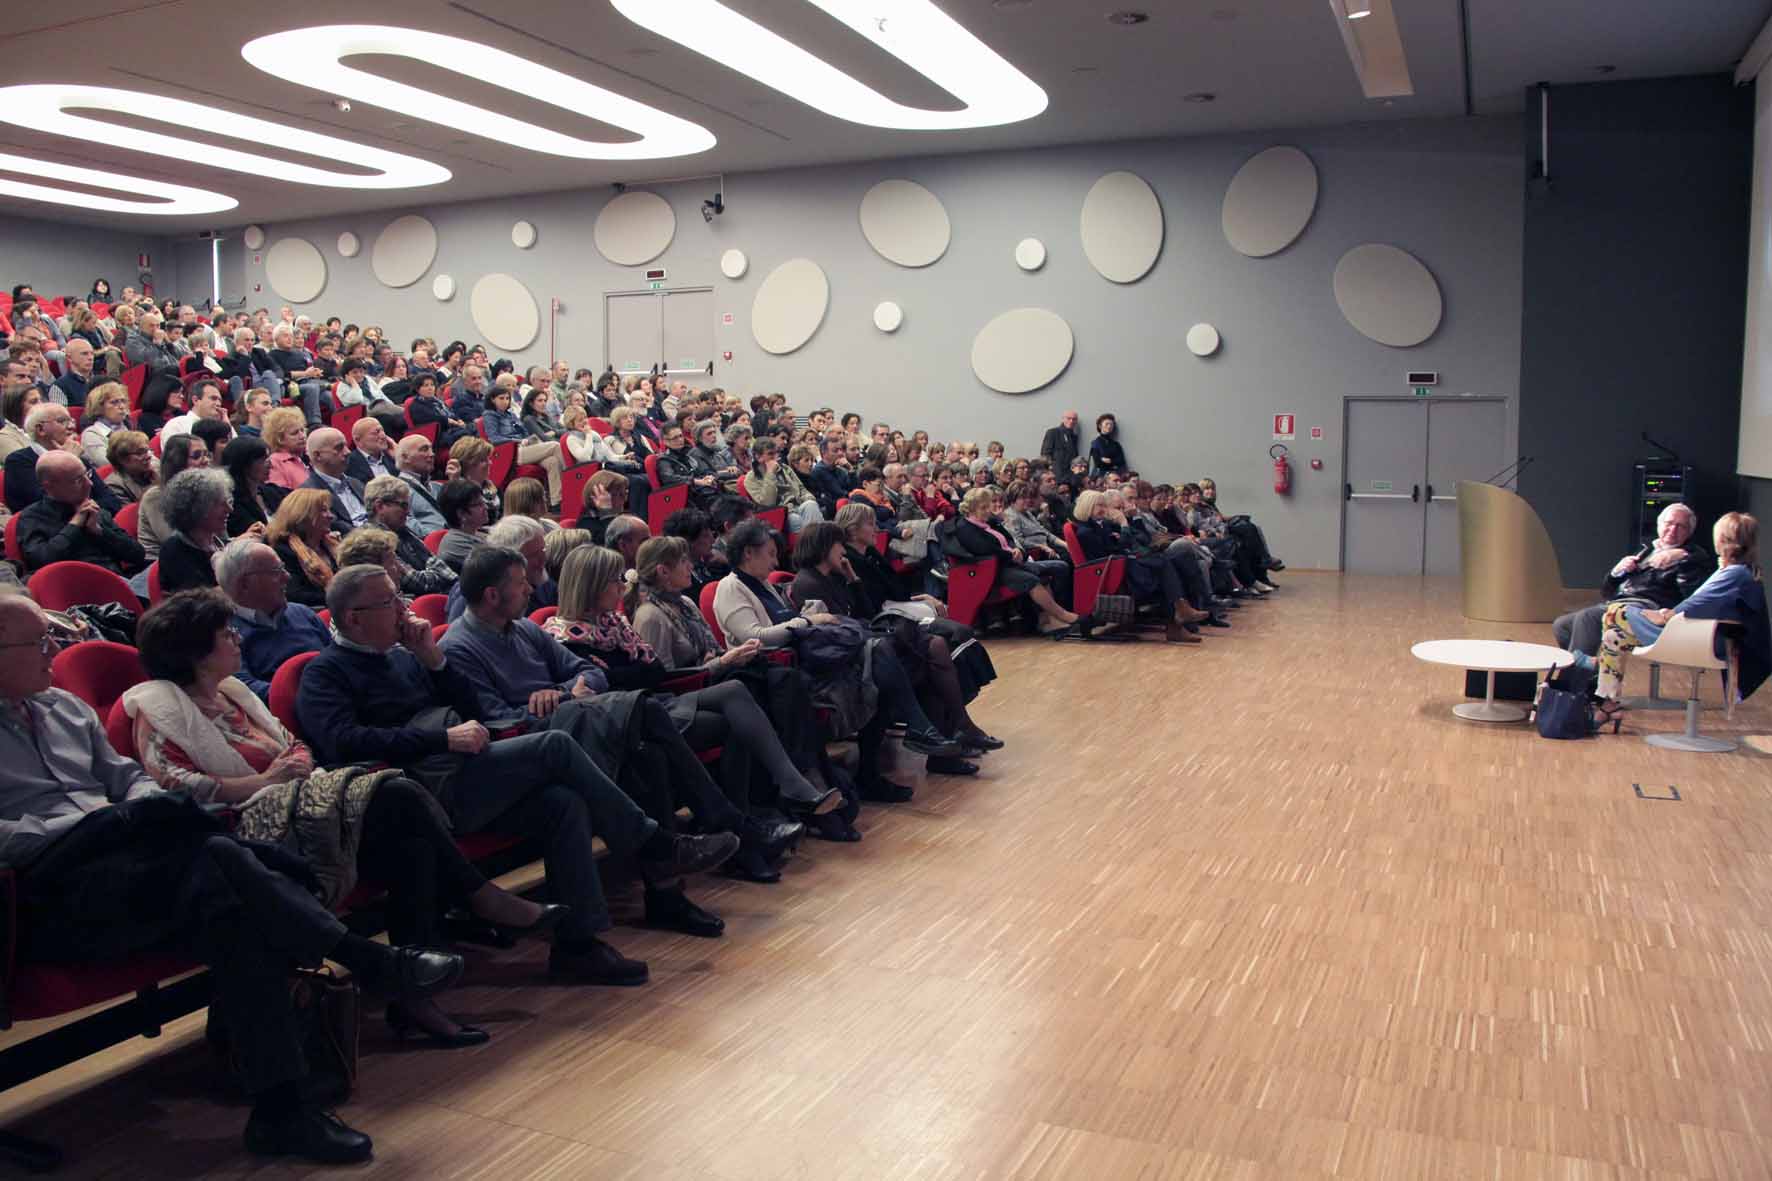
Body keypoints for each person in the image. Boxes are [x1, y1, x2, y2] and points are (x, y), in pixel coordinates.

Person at [0, 595, 465, 1165]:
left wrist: (134, 810)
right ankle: (365, 962)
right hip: (45, 888)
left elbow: (127, 778)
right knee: (222, 863)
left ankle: (283, 1111)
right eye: (38, 642)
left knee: (231, 903)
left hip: (136, 864)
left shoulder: (65, 710)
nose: (53, 650)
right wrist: (94, 825)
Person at [127, 589, 555, 1047]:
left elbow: (294, 744)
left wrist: (287, 768)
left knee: (408, 839)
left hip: (301, 805)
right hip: (248, 830)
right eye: (225, 633)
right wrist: (265, 780)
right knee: (396, 795)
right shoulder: (161, 712)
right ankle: (472, 904)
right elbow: (181, 788)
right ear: (194, 651)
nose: (237, 638)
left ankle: (417, 993)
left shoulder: (234, 696)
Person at [299, 563, 740, 972]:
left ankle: (578, 946)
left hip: (464, 769)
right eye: (389, 602)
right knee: (555, 744)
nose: (403, 609)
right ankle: (655, 844)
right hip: (418, 793)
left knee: (563, 803)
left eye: (400, 597)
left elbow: (472, 708)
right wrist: (441, 739)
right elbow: (343, 742)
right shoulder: (325, 674)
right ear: (354, 618)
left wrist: (432, 659)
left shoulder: (405, 656)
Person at [544, 544, 839, 823]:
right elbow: (617, 683)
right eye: (614, 580)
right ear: (592, 585)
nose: (622, 587)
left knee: (746, 688)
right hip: (631, 717)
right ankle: (747, 818)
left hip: (657, 699)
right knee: (744, 706)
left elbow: (652, 671)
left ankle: (785, 791)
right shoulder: (565, 638)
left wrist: (623, 673)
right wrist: (633, 672)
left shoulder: (616, 623)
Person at [716, 521, 964, 802]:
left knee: (883, 667)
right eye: (770, 554)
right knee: (882, 656)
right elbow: (757, 637)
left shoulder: (762, 584)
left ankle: (885, 761)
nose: (775, 562)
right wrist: (809, 619)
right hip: (778, 675)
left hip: (804, 661)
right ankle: (912, 736)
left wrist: (809, 616)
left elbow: (795, 622)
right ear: (748, 553)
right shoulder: (730, 588)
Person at [816, 510, 1002, 769]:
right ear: (852, 530)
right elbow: (868, 609)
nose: (876, 528)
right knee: (946, 643)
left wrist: (919, 598)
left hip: (897, 616)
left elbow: (895, 591)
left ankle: (953, 732)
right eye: (870, 524)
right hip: (885, 626)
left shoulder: (871, 555)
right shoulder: (848, 565)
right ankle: (956, 731)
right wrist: (857, 581)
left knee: (957, 641)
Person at [1593, 512, 1767, 727]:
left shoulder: (1735, 573)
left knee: (1615, 612)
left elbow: (1699, 602)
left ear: (1723, 539)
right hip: (1701, 633)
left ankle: (1591, 673)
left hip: (1703, 639)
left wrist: (1665, 615)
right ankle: (1608, 703)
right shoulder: (1739, 571)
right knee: (1614, 636)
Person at [1554, 503, 1712, 659]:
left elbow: (1691, 595)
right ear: (1659, 524)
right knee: (1562, 625)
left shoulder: (1693, 556)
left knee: (1588, 617)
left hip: (1649, 610)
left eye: (1681, 526)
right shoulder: (1646, 550)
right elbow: (1606, 592)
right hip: (1619, 603)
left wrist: (1683, 558)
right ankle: (1588, 670)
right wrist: (1616, 573)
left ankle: (1574, 675)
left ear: (1689, 532)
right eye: (1669, 523)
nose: (1673, 529)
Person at [1071, 490, 1207, 643]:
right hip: (1112, 574)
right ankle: (1179, 615)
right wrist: (1123, 526)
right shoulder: (1086, 532)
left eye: (1104, 505)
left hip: (1124, 566)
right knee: (1163, 566)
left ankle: (1180, 617)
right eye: (1099, 505)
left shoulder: (1101, 525)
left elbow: (1131, 541)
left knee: (1169, 567)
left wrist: (1122, 535)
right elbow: (1113, 552)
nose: (1104, 509)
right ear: (1087, 506)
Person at [946, 489, 1083, 636]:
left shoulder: (989, 522)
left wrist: (1016, 549)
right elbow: (985, 549)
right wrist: (1011, 555)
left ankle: (1050, 618)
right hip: (991, 571)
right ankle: (1063, 616)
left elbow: (1009, 539)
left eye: (987, 506)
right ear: (971, 508)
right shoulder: (965, 528)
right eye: (983, 508)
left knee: (1060, 567)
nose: (987, 511)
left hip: (1010, 562)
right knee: (1031, 579)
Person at [215, 538, 332, 699]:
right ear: (244, 584)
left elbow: (337, 657)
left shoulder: (302, 613)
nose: (287, 577)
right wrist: (309, 692)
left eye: (283, 568)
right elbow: (244, 689)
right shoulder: (224, 635)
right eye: (276, 571)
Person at [16, 451, 147, 574]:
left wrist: (100, 532)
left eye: (87, 475)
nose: (89, 484)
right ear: (49, 486)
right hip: (73, 586)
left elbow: (138, 555)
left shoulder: (94, 509)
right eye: (78, 480)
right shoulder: (32, 517)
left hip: (116, 579)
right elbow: (41, 562)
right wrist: (74, 525)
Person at [6, 402, 123, 514]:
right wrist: (68, 463)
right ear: (40, 429)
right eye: (62, 421)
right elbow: (50, 510)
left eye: (71, 420)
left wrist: (92, 512)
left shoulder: (78, 457)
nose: (72, 426)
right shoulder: (18, 462)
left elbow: (112, 503)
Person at [362, 475, 457, 594]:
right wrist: (437, 574)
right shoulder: (372, 542)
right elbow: (417, 582)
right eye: (403, 506)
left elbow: (442, 567)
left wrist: (434, 572)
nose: (407, 512)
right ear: (380, 506)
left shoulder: (403, 531)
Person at [481, 380, 565, 505]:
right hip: (509, 453)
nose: (505, 401)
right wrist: (518, 441)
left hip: (524, 447)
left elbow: (524, 432)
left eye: (507, 398)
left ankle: (556, 502)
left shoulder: (510, 415)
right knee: (555, 446)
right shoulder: (489, 415)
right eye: (501, 398)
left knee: (552, 462)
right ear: (493, 400)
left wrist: (528, 439)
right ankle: (572, 480)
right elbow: (494, 438)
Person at [155, 468, 238, 593]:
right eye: (220, 504)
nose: (230, 509)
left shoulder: (216, 541)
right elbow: (204, 598)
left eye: (228, 501)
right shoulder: (173, 551)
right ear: (197, 510)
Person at [266, 489, 339, 608]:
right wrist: (342, 597)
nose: (331, 516)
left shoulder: (332, 545)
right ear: (303, 515)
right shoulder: (283, 551)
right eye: (323, 510)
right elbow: (295, 595)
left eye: (329, 510)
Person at [742, 437, 822, 532]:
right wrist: (770, 473)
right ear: (758, 457)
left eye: (776, 453)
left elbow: (801, 489)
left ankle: (817, 538)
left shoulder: (785, 468)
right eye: (770, 454)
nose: (775, 457)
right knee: (795, 519)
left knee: (811, 505)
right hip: (779, 514)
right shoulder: (751, 478)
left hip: (797, 504)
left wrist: (808, 497)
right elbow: (768, 503)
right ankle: (811, 539)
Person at [298, 427, 367, 535]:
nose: (348, 452)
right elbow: (334, 528)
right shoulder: (309, 494)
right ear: (317, 455)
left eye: (346, 446)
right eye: (339, 448)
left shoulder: (356, 483)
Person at [434, 478, 489, 573]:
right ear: (461, 514)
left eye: (484, 502)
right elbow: (499, 569)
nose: (486, 507)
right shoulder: (455, 544)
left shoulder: (477, 533)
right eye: (479, 504)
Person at [159, 379, 230, 443]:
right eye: (213, 398)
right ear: (195, 400)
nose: (218, 404)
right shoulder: (176, 425)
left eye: (220, 400)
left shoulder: (224, 424)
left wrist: (226, 428)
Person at [79, 381, 130, 467]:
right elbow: (109, 464)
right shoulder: (91, 435)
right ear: (99, 407)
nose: (122, 406)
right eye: (114, 402)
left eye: (123, 401)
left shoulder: (126, 427)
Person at [262, 407, 311, 491]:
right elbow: (280, 495)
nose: (302, 436)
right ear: (279, 439)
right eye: (294, 433)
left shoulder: (304, 458)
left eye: (302, 430)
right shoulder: (274, 463)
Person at [102, 429, 156, 505]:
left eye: (147, 450)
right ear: (122, 459)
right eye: (140, 453)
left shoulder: (154, 471)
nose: (148, 456)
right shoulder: (114, 486)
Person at [343, 416, 398, 485]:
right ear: (358, 440)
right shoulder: (348, 464)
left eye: (383, 431)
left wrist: (398, 456)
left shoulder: (392, 456)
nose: (383, 436)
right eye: (376, 432)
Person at [53, 338, 97, 408]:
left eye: (92, 354)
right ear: (69, 358)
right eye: (84, 354)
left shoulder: (101, 381)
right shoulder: (60, 386)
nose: (90, 358)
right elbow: (59, 414)